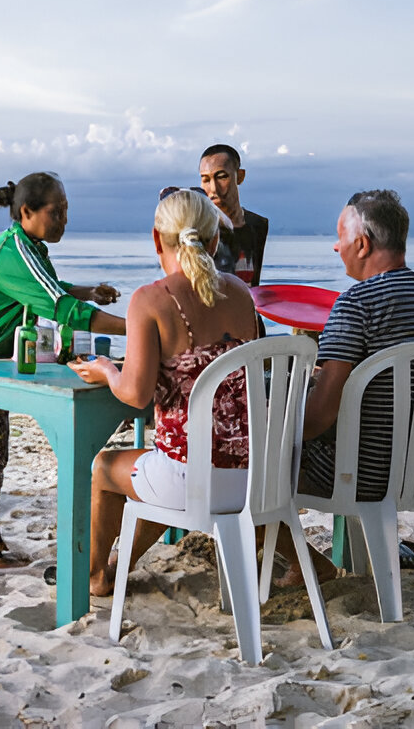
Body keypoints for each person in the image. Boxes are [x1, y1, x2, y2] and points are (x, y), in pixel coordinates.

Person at [69, 189, 259, 595]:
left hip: (191, 481)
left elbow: (136, 395)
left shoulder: (151, 299)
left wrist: (106, 370)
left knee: (105, 468)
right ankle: (120, 565)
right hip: (254, 478)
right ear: (214, 241)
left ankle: (97, 576)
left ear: (157, 239)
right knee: (157, 469)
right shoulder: (242, 295)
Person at [0, 171, 127, 567]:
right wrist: (136, 327)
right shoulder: (15, 251)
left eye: (66, 211)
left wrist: (87, 291)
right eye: (56, 212)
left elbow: (50, 289)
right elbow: (61, 309)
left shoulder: (30, 247)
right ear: (27, 211)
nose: (64, 220)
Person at [277, 190, 414, 585]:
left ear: (362, 243)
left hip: (350, 476)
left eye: (340, 235)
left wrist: (285, 402)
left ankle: (297, 565)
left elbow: (317, 418)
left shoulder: (355, 305)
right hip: (408, 474)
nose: (335, 245)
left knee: (249, 462)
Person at [197, 144, 269, 287]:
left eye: (222, 177)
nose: (213, 188)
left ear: (240, 176)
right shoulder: (198, 227)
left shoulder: (258, 224)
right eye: (205, 179)